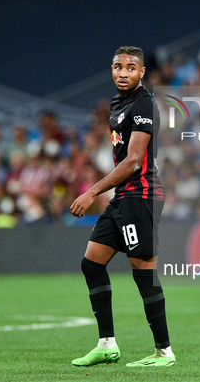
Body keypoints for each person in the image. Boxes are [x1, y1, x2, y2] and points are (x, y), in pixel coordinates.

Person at [70, 46, 174, 367]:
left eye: (131, 67)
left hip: (140, 196)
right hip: (122, 200)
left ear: (142, 72)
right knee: (92, 263)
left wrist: (92, 192)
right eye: (117, 67)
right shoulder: (117, 104)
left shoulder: (143, 103)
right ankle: (107, 344)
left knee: (144, 273)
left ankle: (164, 352)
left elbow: (132, 162)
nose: (123, 72)